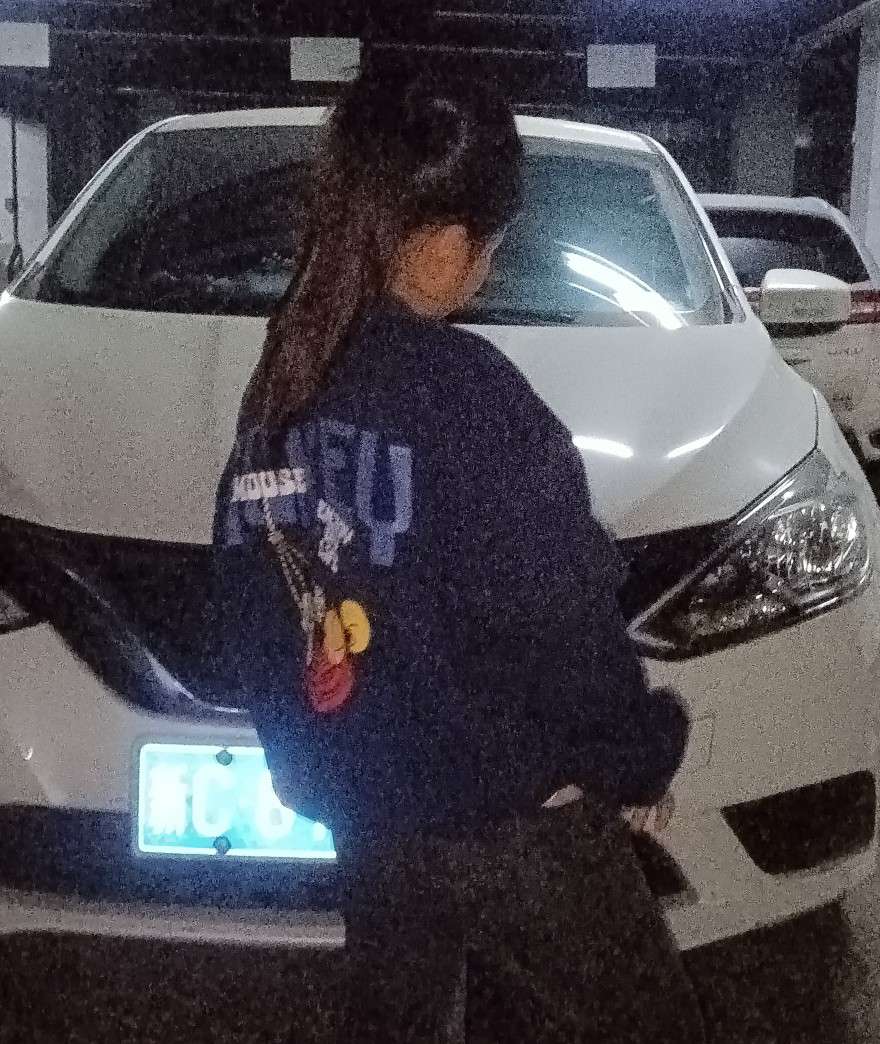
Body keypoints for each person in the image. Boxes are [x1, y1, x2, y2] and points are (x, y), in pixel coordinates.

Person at [211, 70, 704, 1043]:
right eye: (492, 241)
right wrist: (637, 757)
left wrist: (315, 760)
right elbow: (559, 622)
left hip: (369, 818)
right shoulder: (473, 396)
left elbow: (248, 593)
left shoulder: (286, 376)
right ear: (446, 244)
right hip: (512, 821)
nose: (489, 262)